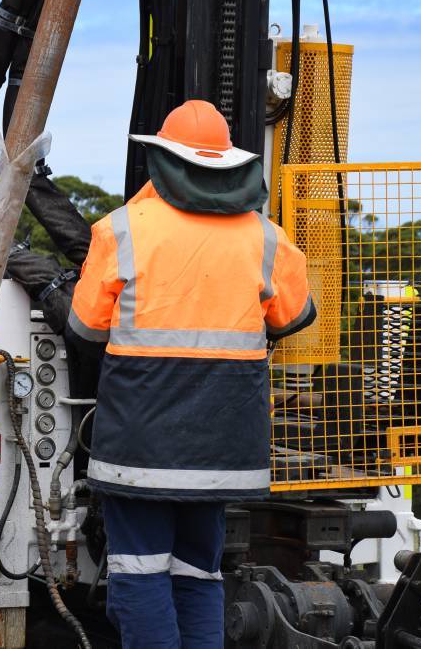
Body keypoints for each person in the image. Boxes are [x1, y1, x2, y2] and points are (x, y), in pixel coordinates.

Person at [66, 100, 316, 649]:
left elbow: (84, 329)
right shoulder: (266, 236)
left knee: (139, 572)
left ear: (162, 161)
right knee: (200, 573)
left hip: (141, 445)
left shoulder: (122, 229)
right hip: (224, 447)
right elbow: (295, 316)